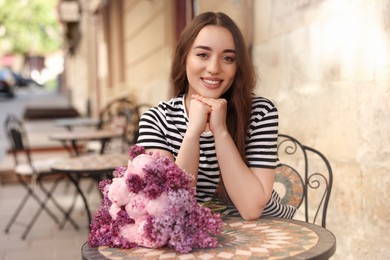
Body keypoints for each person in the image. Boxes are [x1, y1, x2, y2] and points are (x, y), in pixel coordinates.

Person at [136, 12, 296, 220]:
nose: (214, 68)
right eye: (202, 54)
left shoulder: (260, 112)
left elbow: (251, 208)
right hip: (192, 238)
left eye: (228, 58)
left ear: (237, 66)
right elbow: (170, 209)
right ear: (184, 57)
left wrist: (220, 132)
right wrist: (193, 133)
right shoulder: (156, 120)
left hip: (266, 233)